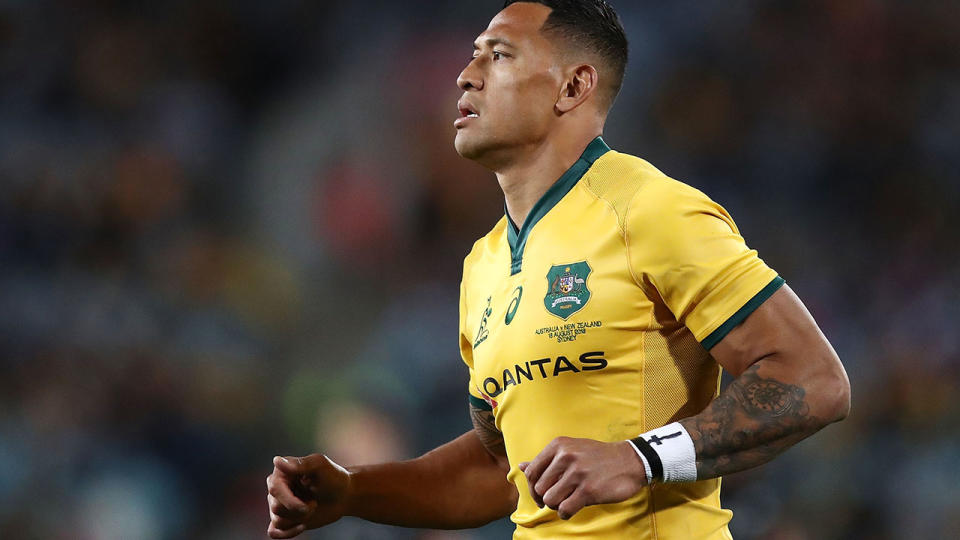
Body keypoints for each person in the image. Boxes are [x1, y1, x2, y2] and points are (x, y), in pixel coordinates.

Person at [265, 1, 851, 538]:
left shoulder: (650, 211)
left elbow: (814, 381)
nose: (466, 75)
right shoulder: (485, 263)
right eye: (472, 56)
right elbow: (501, 467)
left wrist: (639, 457)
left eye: (498, 55)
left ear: (573, 85)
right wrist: (353, 489)